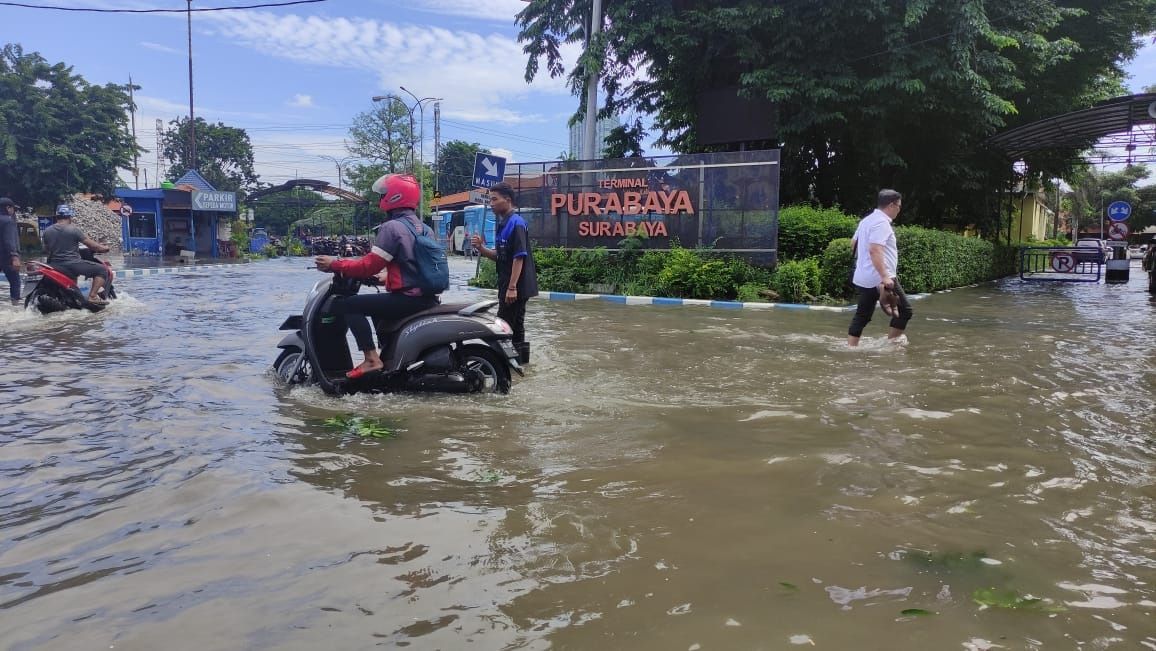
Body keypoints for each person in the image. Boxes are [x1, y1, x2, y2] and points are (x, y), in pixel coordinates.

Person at [314, 174, 441, 380]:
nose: (380, 198)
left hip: (409, 299)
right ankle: (387, 356)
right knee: (375, 305)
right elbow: (415, 264)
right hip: (425, 297)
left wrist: (334, 265)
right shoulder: (424, 228)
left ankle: (371, 359)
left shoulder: (392, 227)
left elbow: (368, 265)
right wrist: (386, 276)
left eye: (383, 194)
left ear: (394, 196)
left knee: (347, 304)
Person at [471, 182, 538, 363]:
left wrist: (512, 287)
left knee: (502, 326)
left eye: (494, 199)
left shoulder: (516, 223)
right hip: (510, 285)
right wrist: (481, 248)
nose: (491, 203)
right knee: (515, 325)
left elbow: (519, 257)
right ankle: (520, 364)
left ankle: (501, 366)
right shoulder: (503, 223)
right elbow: (501, 257)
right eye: (490, 199)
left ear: (507, 200)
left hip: (515, 287)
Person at [847, 189, 913, 347]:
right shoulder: (881, 223)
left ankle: (851, 348)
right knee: (905, 311)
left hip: (864, 277)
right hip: (882, 278)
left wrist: (864, 264)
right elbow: (875, 249)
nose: (899, 210)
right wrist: (884, 276)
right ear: (891, 205)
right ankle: (892, 344)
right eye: (899, 206)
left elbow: (853, 244)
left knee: (862, 315)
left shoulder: (866, 221)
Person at [41, 204, 111, 305]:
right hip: (72, 264)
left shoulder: (47, 231)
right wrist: (105, 248)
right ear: (69, 217)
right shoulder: (73, 230)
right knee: (101, 270)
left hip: (54, 265)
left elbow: (45, 250)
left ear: (57, 216)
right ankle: (93, 297)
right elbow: (93, 246)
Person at [0, 197, 22, 306]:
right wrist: (15, 257)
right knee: (15, 282)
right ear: (8, 208)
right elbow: (9, 240)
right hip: (6, 257)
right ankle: (15, 307)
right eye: (13, 208)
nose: (13, 211)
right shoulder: (8, 221)